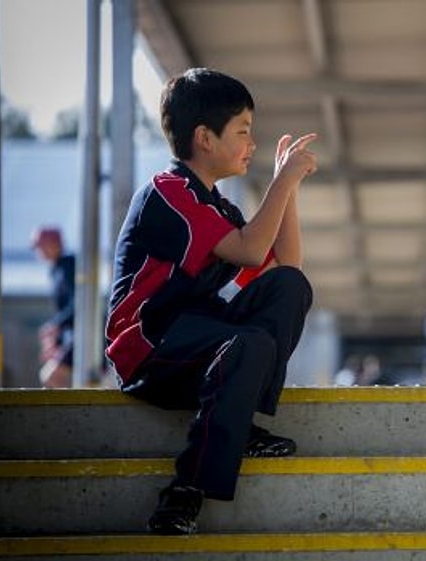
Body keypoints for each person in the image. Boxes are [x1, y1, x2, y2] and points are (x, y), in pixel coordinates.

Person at [105, 68, 317, 535]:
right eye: (242, 131)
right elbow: (249, 250)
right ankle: (184, 492)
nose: (251, 143)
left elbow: (286, 265)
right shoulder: (169, 192)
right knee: (249, 344)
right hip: (150, 348)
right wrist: (281, 182)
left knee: (289, 289)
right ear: (205, 137)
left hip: (199, 341)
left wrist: (291, 189)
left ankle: (237, 418)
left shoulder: (217, 205)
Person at [31, 226, 75, 388]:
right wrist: (56, 340)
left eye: (41, 245)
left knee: (51, 376)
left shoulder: (68, 266)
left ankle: (67, 412)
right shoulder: (58, 269)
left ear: (55, 244)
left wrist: (56, 325)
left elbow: (78, 305)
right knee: (52, 376)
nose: (39, 251)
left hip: (84, 336)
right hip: (73, 336)